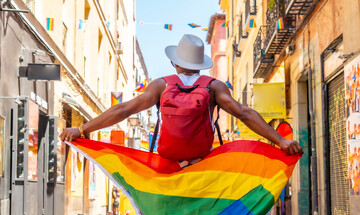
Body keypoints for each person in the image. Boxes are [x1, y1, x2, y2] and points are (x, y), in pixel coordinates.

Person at [60, 34, 302, 162]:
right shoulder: (214, 86)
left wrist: (81, 129)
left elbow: (123, 110)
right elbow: (244, 113)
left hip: (167, 163)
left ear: (174, 62)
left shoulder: (161, 85)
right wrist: (280, 140)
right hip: (202, 163)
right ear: (200, 65)